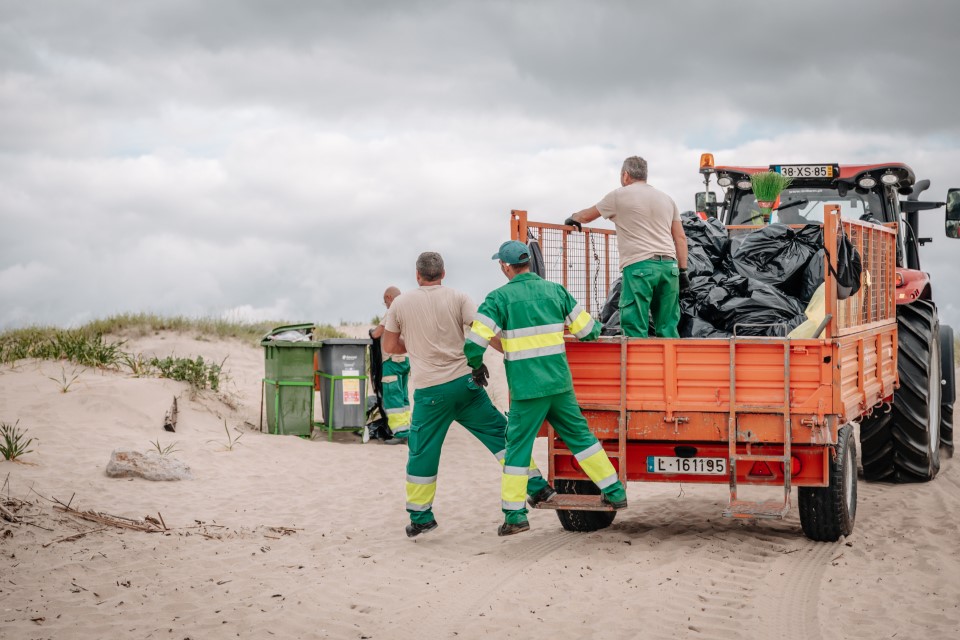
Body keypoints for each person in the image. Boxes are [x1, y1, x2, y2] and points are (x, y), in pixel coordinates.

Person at [383, 251, 554, 538]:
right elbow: (484, 332)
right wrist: (516, 353)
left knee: (422, 453)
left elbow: (390, 346)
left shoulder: (400, 304)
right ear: (443, 273)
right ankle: (539, 488)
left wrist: (414, 348)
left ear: (417, 274)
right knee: (502, 437)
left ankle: (421, 516)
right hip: (466, 384)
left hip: (430, 392)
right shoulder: (459, 297)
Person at [465, 240, 629, 536]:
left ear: (505, 266)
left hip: (527, 390)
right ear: (528, 262)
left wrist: (476, 365)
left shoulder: (498, 298)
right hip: (559, 385)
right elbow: (588, 330)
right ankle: (615, 492)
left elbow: (474, 343)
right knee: (581, 439)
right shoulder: (556, 291)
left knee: (516, 449)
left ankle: (515, 516)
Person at [564, 156, 689, 338]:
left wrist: (573, 217)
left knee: (635, 326)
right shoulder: (667, 199)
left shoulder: (618, 196)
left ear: (625, 175)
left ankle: (639, 366)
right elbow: (680, 237)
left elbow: (585, 216)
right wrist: (683, 271)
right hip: (669, 269)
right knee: (668, 327)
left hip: (640, 268)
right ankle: (669, 365)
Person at [369, 286, 411, 442]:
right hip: (405, 360)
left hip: (392, 361)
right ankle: (407, 429)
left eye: (384, 301)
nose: (385, 304)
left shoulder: (393, 309)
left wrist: (371, 333)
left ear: (388, 297)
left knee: (393, 397)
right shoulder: (407, 311)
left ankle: (399, 433)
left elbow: (377, 333)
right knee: (403, 396)